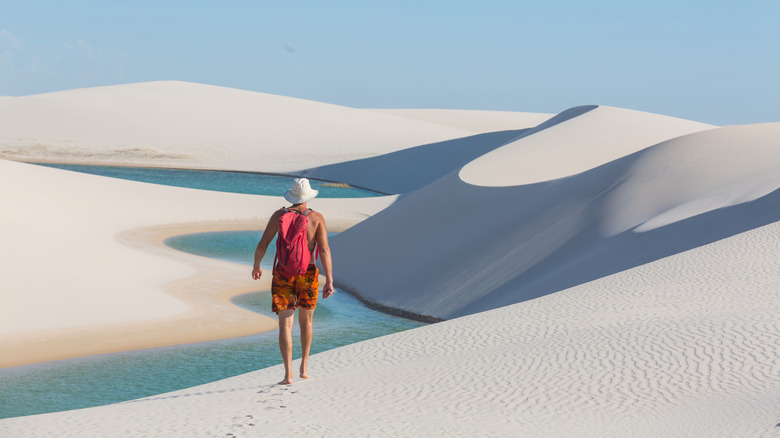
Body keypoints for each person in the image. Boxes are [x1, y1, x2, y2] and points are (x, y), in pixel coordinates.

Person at [252, 178, 334, 385]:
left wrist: (257, 265)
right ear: (308, 196)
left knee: (284, 324)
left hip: (282, 273)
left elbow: (263, 244)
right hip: (308, 273)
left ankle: (287, 374)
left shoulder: (279, 215)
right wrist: (329, 280)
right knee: (306, 321)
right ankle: (304, 368)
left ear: (292, 195)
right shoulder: (316, 218)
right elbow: (324, 250)